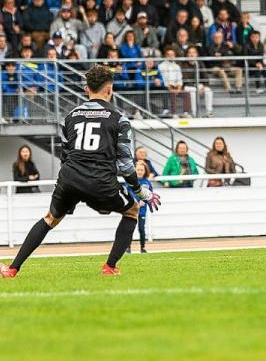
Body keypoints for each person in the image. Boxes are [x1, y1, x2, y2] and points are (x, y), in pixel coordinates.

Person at [1, 66, 161, 278]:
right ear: (110, 89)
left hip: (70, 178)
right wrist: (141, 192)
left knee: (50, 219)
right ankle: (110, 266)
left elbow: (65, 155)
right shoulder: (119, 118)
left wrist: (68, 186)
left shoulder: (71, 116)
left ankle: (12, 269)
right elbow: (125, 165)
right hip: (100, 181)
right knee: (132, 211)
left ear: (87, 89)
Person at [126, 161, 154, 253]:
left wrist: (144, 200)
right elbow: (127, 192)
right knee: (130, 229)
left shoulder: (147, 182)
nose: (140, 171)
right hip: (131, 209)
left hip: (142, 209)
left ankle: (143, 247)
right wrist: (134, 201)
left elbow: (150, 194)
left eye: (142, 170)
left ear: (145, 171)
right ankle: (128, 247)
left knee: (141, 228)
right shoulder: (131, 181)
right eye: (138, 169)